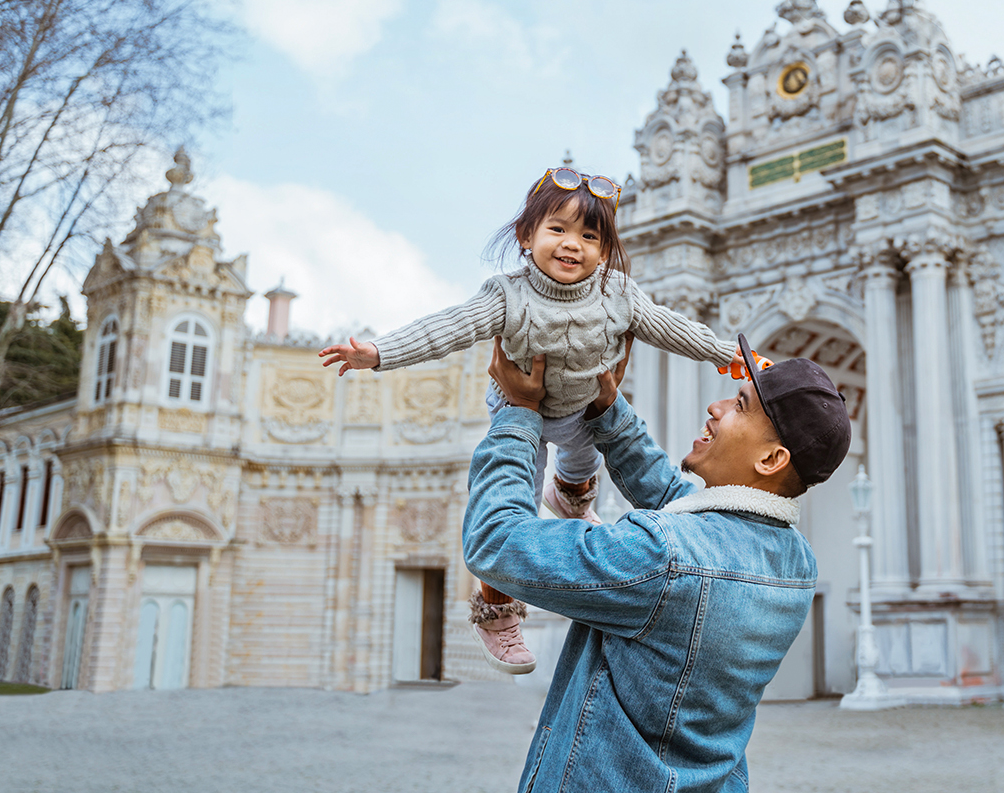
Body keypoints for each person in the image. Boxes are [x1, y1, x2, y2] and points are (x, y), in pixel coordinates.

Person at [318, 165, 759, 673]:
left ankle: (571, 498)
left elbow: (675, 330)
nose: (573, 244)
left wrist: (733, 358)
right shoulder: (507, 295)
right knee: (515, 515)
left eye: (589, 236)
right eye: (558, 229)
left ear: (606, 250)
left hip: (582, 409)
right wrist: (378, 353)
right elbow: (447, 327)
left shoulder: (619, 294)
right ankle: (498, 613)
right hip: (518, 411)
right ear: (527, 237)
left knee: (586, 453)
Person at [470, 331, 852, 793]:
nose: (716, 407)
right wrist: (608, 412)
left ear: (771, 459)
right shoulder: (795, 562)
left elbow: (494, 541)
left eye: (741, 406)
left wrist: (516, 414)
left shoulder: (664, 557)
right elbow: (682, 505)